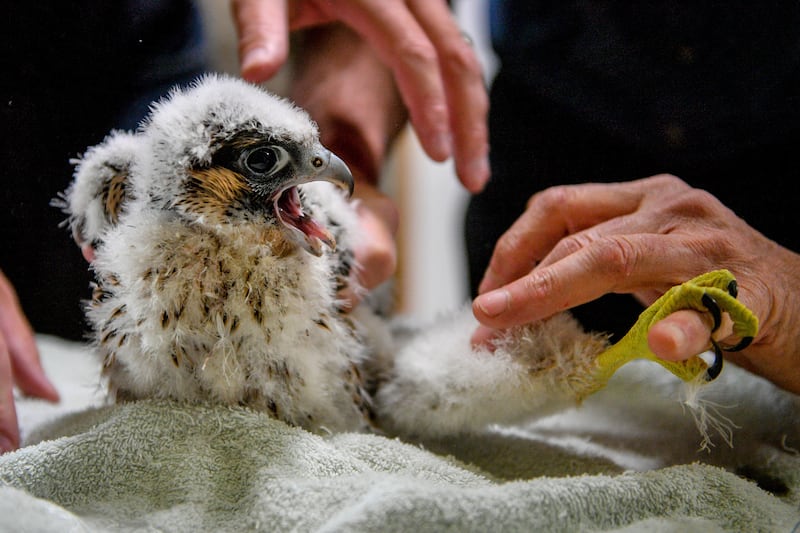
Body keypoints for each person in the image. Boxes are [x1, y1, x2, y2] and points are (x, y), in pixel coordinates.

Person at [0, 0, 488, 453]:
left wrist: (342, 158)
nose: (328, 168)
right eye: (264, 161)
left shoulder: (292, 226)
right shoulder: (137, 196)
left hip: (137, 54)